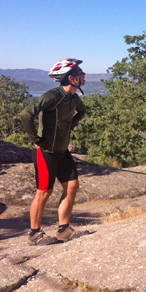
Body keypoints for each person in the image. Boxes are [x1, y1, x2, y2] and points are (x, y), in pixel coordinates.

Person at [20, 58, 89, 245]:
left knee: (72, 186)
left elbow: (82, 112)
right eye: (80, 73)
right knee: (44, 192)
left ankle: (64, 229)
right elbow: (26, 114)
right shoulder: (53, 96)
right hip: (46, 152)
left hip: (62, 151)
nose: (84, 75)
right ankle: (34, 234)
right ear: (71, 78)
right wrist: (36, 139)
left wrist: (70, 125)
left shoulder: (74, 98)